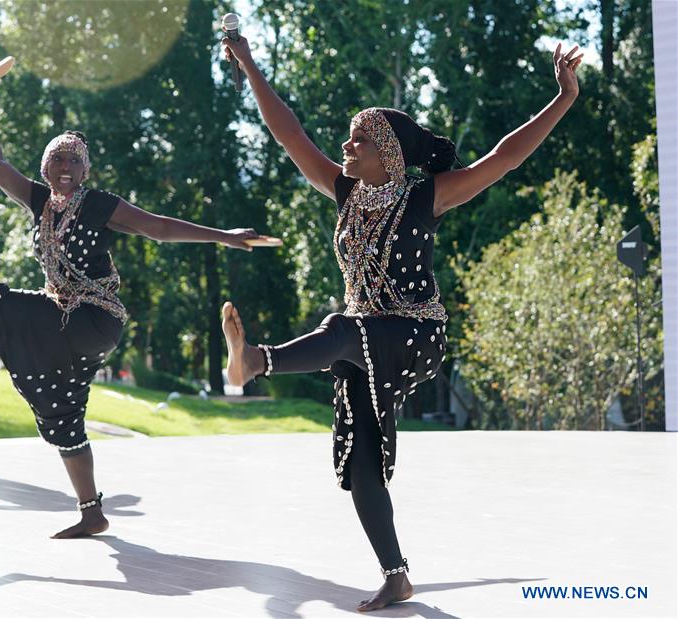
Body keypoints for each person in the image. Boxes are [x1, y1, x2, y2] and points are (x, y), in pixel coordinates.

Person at [220, 32, 582, 611]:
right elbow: (287, 131)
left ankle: (257, 362)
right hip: (362, 346)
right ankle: (397, 574)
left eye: (360, 138)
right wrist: (251, 64)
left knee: (338, 327)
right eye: (349, 136)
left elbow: (504, 158)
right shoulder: (344, 193)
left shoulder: (426, 196)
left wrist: (563, 97)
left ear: (389, 150)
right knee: (361, 468)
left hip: (415, 335)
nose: (346, 144)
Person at [0, 75, 267, 538]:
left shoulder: (100, 204)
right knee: (62, 412)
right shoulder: (39, 200)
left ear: (86, 171)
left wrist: (224, 236)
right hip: (60, 320)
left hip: (93, 319)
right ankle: (91, 511)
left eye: (74, 161)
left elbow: (158, 229)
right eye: (57, 159)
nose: (65, 166)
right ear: (46, 168)